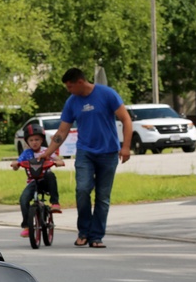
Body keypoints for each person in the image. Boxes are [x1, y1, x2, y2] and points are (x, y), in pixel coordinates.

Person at [38, 68, 132, 249]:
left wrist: (126, 147)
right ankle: (83, 232)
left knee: (103, 197)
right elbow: (63, 130)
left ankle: (96, 236)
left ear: (80, 82)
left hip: (109, 153)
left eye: (70, 86)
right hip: (85, 152)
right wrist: (48, 152)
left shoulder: (107, 94)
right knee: (82, 190)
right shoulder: (72, 102)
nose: (68, 90)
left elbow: (126, 120)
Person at [11, 123, 64, 238]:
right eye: (31, 140)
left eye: (37, 139)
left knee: (50, 175)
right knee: (23, 199)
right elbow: (17, 165)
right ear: (27, 142)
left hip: (45, 181)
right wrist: (15, 164)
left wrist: (57, 162)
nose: (34, 142)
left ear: (42, 140)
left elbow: (59, 160)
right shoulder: (26, 154)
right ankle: (27, 225)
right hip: (32, 182)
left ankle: (55, 202)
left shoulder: (46, 151)